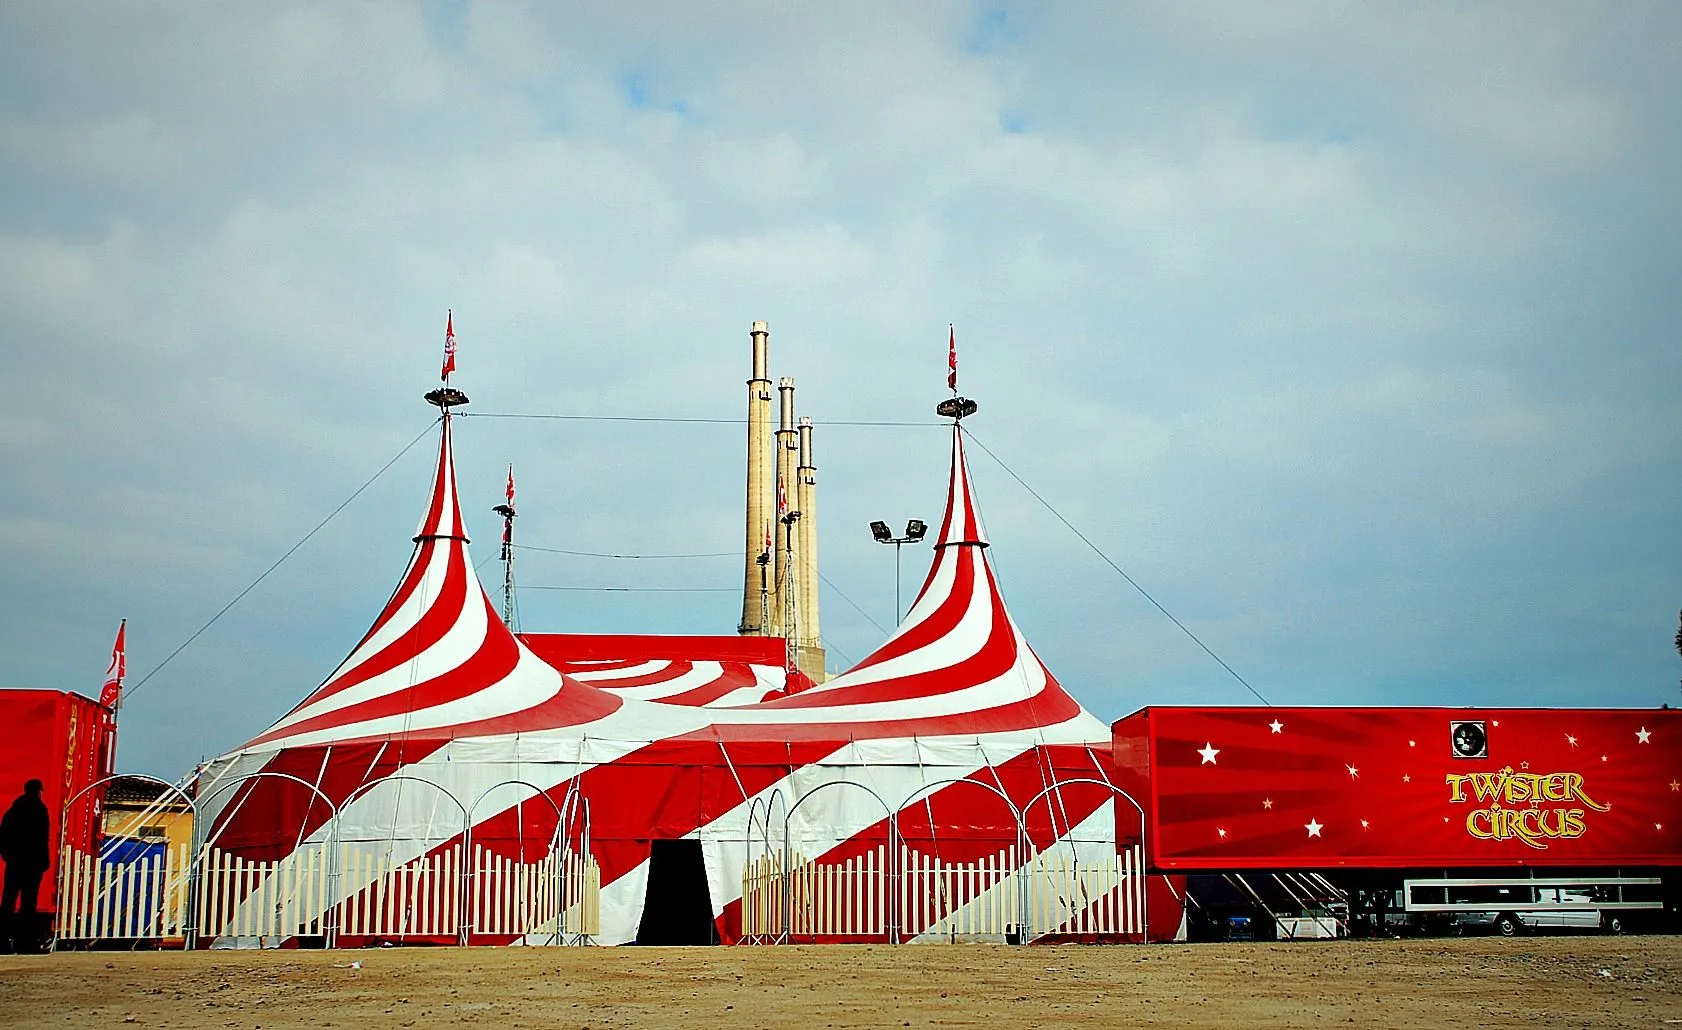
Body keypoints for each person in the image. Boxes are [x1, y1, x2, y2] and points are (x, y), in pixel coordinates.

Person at [0, 779, 51, 954]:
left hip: (14, 864)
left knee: (8, 902)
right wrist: (44, 862)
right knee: (28, 904)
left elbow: (3, 836)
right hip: (32, 865)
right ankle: (25, 943)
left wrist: (8, 856)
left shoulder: (13, 811)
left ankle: (3, 943)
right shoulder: (40, 810)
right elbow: (43, 839)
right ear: (38, 791)